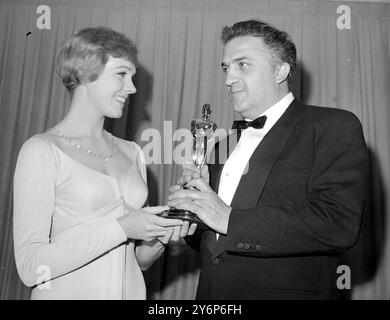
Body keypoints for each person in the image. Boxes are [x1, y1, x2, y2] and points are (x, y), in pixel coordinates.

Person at [168, 20, 369, 299]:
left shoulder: (332, 126)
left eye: (242, 64)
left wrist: (227, 218)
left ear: (280, 71)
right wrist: (193, 215)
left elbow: (339, 224)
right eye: (226, 68)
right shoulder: (222, 145)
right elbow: (217, 242)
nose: (228, 79)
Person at [13, 27, 194, 300]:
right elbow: (30, 268)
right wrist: (121, 227)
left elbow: (136, 261)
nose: (132, 88)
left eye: (132, 77)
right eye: (122, 74)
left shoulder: (133, 152)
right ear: (86, 73)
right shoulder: (41, 150)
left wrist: (158, 236)